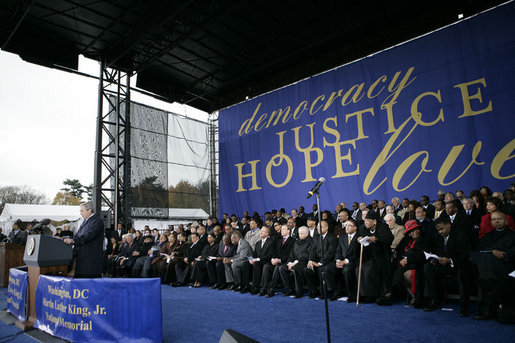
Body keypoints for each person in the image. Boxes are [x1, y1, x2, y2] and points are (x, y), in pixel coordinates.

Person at [423, 216, 472, 317]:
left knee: (463, 273)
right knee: (428, 267)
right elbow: (436, 252)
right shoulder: (438, 238)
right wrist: (434, 259)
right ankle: (435, 300)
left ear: (449, 225)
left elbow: (466, 255)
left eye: (442, 229)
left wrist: (450, 260)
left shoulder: (460, 236)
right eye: (438, 230)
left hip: (458, 265)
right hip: (443, 265)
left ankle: (464, 306)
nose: (440, 232)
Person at [471, 211, 515, 320]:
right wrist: (492, 251)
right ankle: (492, 308)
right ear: (491, 222)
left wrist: (501, 254)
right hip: (490, 267)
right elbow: (479, 250)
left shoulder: (513, 235)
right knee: (485, 270)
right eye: (494, 219)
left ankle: (489, 310)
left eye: (499, 219)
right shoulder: (487, 236)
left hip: (506, 265)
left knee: (486, 278)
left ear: (506, 221)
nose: (496, 221)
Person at [356, 211, 394, 305]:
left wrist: (376, 238)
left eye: (368, 221)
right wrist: (359, 238)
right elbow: (359, 235)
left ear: (374, 221)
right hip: (369, 256)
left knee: (370, 270)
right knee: (359, 269)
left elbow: (390, 238)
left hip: (382, 256)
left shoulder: (383, 227)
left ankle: (381, 295)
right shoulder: (363, 228)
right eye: (365, 221)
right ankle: (367, 294)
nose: (366, 223)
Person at [64, 202, 105, 278]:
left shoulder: (96, 221)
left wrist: (74, 241)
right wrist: (67, 239)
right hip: (82, 259)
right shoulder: (85, 221)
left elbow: (89, 235)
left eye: (82, 211)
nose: (80, 213)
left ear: (89, 210)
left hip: (90, 262)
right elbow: (77, 235)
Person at [304, 220, 338, 300]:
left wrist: (319, 263)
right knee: (306, 270)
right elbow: (312, 251)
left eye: (321, 227)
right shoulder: (316, 238)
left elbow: (331, 253)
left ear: (327, 227)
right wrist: (310, 261)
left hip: (328, 261)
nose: (318, 228)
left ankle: (326, 292)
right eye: (318, 227)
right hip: (317, 260)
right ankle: (313, 290)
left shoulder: (332, 238)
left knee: (321, 269)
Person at [280, 226, 313, 298]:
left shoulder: (311, 241)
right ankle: (290, 289)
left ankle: (299, 291)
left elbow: (307, 255)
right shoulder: (297, 241)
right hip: (294, 261)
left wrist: (295, 262)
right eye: (299, 233)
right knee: (282, 268)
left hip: (304, 262)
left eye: (301, 233)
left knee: (297, 268)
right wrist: (289, 263)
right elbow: (292, 253)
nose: (300, 235)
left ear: (307, 233)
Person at [263, 225, 295, 297]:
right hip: (277, 261)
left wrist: (279, 260)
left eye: (283, 229)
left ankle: (272, 289)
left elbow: (290, 254)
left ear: (288, 231)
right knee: (266, 266)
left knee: (278, 267)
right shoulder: (279, 240)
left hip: (286, 261)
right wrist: (273, 258)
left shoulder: (293, 240)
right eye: (281, 230)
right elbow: (274, 252)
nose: (281, 231)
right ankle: (264, 288)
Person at [335, 218, 359, 302]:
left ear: (355, 227)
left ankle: (351, 294)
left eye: (350, 225)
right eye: (346, 225)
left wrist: (345, 261)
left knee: (347, 270)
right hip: (342, 261)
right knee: (330, 268)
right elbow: (338, 250)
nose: (347, 227)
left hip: (354, 261)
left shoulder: (358, 237)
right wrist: (338, 260)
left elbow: (357, 254)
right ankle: (337, 293)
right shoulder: (342, 237)